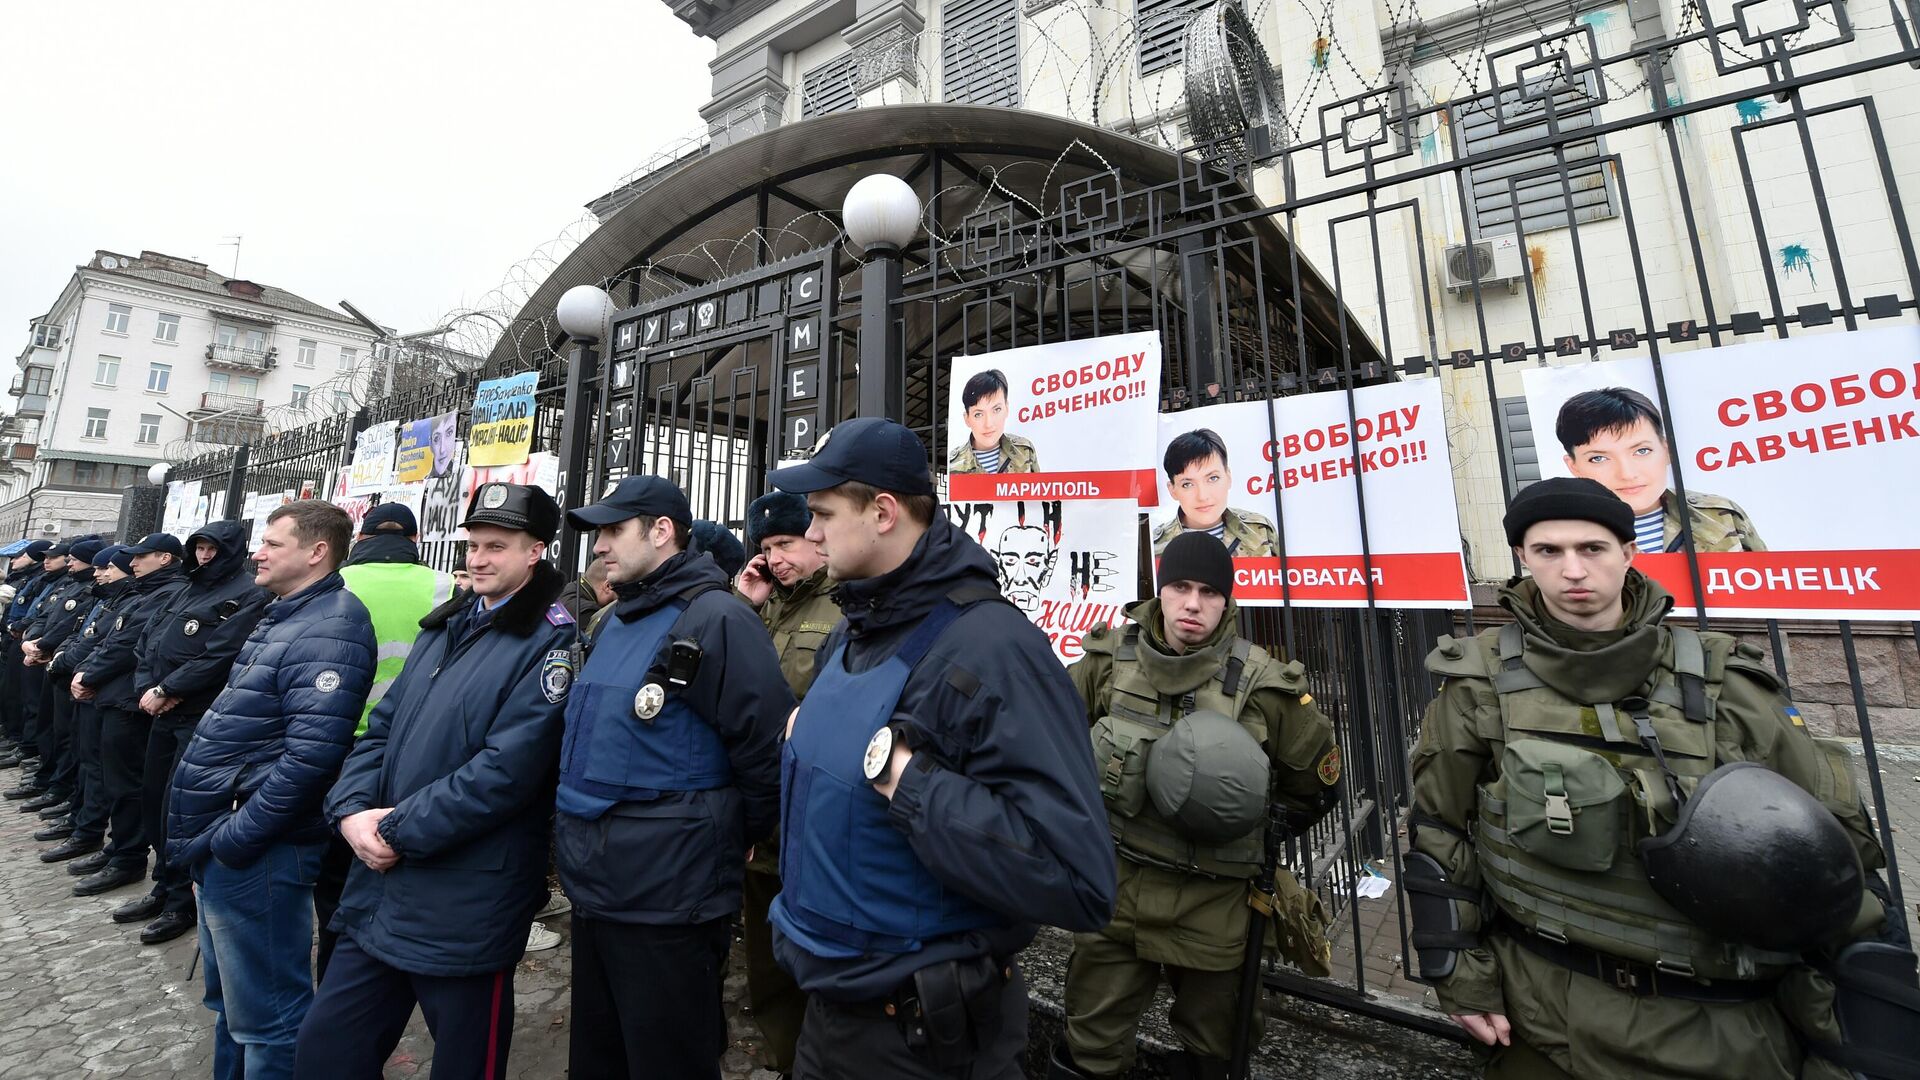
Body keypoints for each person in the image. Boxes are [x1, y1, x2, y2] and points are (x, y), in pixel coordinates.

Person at [1405, 477, 1896, 1078]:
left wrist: (1855, 1038)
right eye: (1548, 552)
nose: (1573, 570)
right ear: (1523, 560)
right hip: (1542, 1010)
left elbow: (1838, 863)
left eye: (1592, 548)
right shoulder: (1477, 682)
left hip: (1720, 1027)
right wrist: (1460, 976)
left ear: (1628, 553)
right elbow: (1440, 830)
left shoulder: (1728, 687)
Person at [767, 417, 1117, 1079]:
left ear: (883, 513)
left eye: (820, 513)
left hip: (928, 1043)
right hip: (831, 1020)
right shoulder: (854, 632)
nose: (809, 532)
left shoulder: (995, 649)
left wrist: (913, 785)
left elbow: (1079, 879)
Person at [296, 483, 574, 1080]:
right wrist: (349, 812)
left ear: (535, 552)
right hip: (380, 893)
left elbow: (506, 772)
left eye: (497, 546)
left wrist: (392, 830)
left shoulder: (551, 642)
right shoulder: (445, 625)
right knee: (325, 1051)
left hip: (466, 898)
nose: (477, 558)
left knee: (465, 1064)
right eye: (473, 544)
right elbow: (381, 729)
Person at [1053, 531, 1341, 1079]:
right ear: (1159, 589)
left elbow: (1317, 781)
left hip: (1215, 907)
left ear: (1227, 601)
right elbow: (1052, 734)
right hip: (1115, 891)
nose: (1192, 604)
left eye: (1209, 592)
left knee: (1219, 1052)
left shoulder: (1264, 686)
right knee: (1089, 1048)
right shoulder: (1110, 661)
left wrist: (1261, 821)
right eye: (1180, 586)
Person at [556, 476, 792, 1080]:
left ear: (662, 532)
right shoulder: (611, 621)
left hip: (669, 899)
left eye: (613, 530)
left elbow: (765, 756)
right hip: (596, 889)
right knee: (599, 1060)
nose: (600, 546)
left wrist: (729, 835)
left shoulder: (719, 620)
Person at [168, 501, 376, 1080]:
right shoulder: (286, 613)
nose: (257, 552)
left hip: (259, 850)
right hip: (224, 843)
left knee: (272, 1019)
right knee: (234, 1007)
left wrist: (236, 838)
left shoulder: (332, 624)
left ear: (316, 552)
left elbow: (311, 755)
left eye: (273, 543)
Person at [323, 501, 457, 977]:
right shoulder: (444, 584)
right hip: (408, 741)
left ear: (361, 538)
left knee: (338, 865)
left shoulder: (336, 582)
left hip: (337, 738)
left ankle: (338, 967)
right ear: (416, 542)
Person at [732, 488, 841, 1073]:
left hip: (815, 809)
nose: (776, 558)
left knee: (816, 950)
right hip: (762, 806)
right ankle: (785, 1054)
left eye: (786, 543)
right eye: (767, 547)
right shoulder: (765, 602)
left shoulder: (846, 605)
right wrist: (744, 604)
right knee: (766, 954)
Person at [125, 521, 274, 945]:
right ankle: (162, 884)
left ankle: (180, 901)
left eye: (212, 549)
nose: (205, 556)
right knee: (154, 800)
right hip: (160, 711)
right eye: (199, 548)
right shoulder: (186, 588)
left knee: (182, 806)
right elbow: (148, 642)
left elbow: (221, 654)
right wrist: (147, 689)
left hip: (197, 717)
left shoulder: (248, 593)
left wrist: (168, 689)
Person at [70, 536, 190, 902]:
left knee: (127, 785)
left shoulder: (168, 592)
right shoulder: (144, 592)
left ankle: (129, 856)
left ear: (164, 558)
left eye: (140, 557)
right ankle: (121, 846)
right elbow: (111, 640)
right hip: (115, 696)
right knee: (110, 778)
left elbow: (131, 647)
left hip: (127, 702)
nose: (133, 563)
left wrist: (89, 677)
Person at [1555, 386, 1765, 553]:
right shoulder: (1558, 536)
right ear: (1573, 467)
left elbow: (1776, 596)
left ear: (1666, 451)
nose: (1627, 473)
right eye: (1599, 458)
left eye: (1642, 451)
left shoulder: (1721, 514)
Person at [42, 545, 131, 868]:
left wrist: (83, 672)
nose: (99, 573)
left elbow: (112, 647)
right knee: (81, 756)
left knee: (100, 769)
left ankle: (90, 830)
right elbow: (81, 633)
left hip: (106, 691)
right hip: (85, 682)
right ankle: (79, 818)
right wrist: (59, 657)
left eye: (106, 568)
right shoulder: (107, 597)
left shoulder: (131, 599)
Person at [18, 539, 100, 817]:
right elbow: (47, 617)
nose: (69, 563)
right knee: (49, 725)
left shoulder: (90, 591)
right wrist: (32, 641)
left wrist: (47, 650)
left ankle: (58, 786)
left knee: (67, 737)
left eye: (74, 559)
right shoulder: (70, 584)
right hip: (53, 662)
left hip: (68, 669)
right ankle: (48, 777)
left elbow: (74, 629)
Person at [4, 539, 65, 802]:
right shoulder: (48, 580)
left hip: (55, 658)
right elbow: (41, 613)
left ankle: (41, 761)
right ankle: (34, 754)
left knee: (51, 723)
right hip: (29, 644)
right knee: (21, 697)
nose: (47, 560)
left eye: (54, 557)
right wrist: (24, 629)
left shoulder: (73, 585)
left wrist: (43, 644)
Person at [1151, 429, 1276, 557]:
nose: (1203, 496)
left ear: (1228, 477)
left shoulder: (1259, 531)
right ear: (1172, 490)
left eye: (1213, 478)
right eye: (1187, 484)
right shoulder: (1154, 548)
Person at [948, 369, 1039, 474]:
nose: (988, 424)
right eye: (978, 414)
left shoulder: (1024, 451)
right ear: (967, 418)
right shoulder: (953, 463)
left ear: (1006, 408)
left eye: (996, 410)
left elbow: (1038, 489)